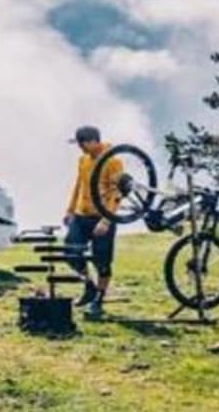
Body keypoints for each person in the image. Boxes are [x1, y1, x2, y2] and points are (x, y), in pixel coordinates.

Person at [63, 125, 122, 319]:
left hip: (103, 217)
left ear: (93, 141)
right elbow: (79, 185)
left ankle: (99, 299)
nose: (80, 148)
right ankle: (89, 286)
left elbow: (117, 192)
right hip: (82, 215)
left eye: (82, 144)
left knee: (102, 261)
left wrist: (106, 220)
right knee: (71, 252)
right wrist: (70, 210)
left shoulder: (113, 160)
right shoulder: (83, 160)